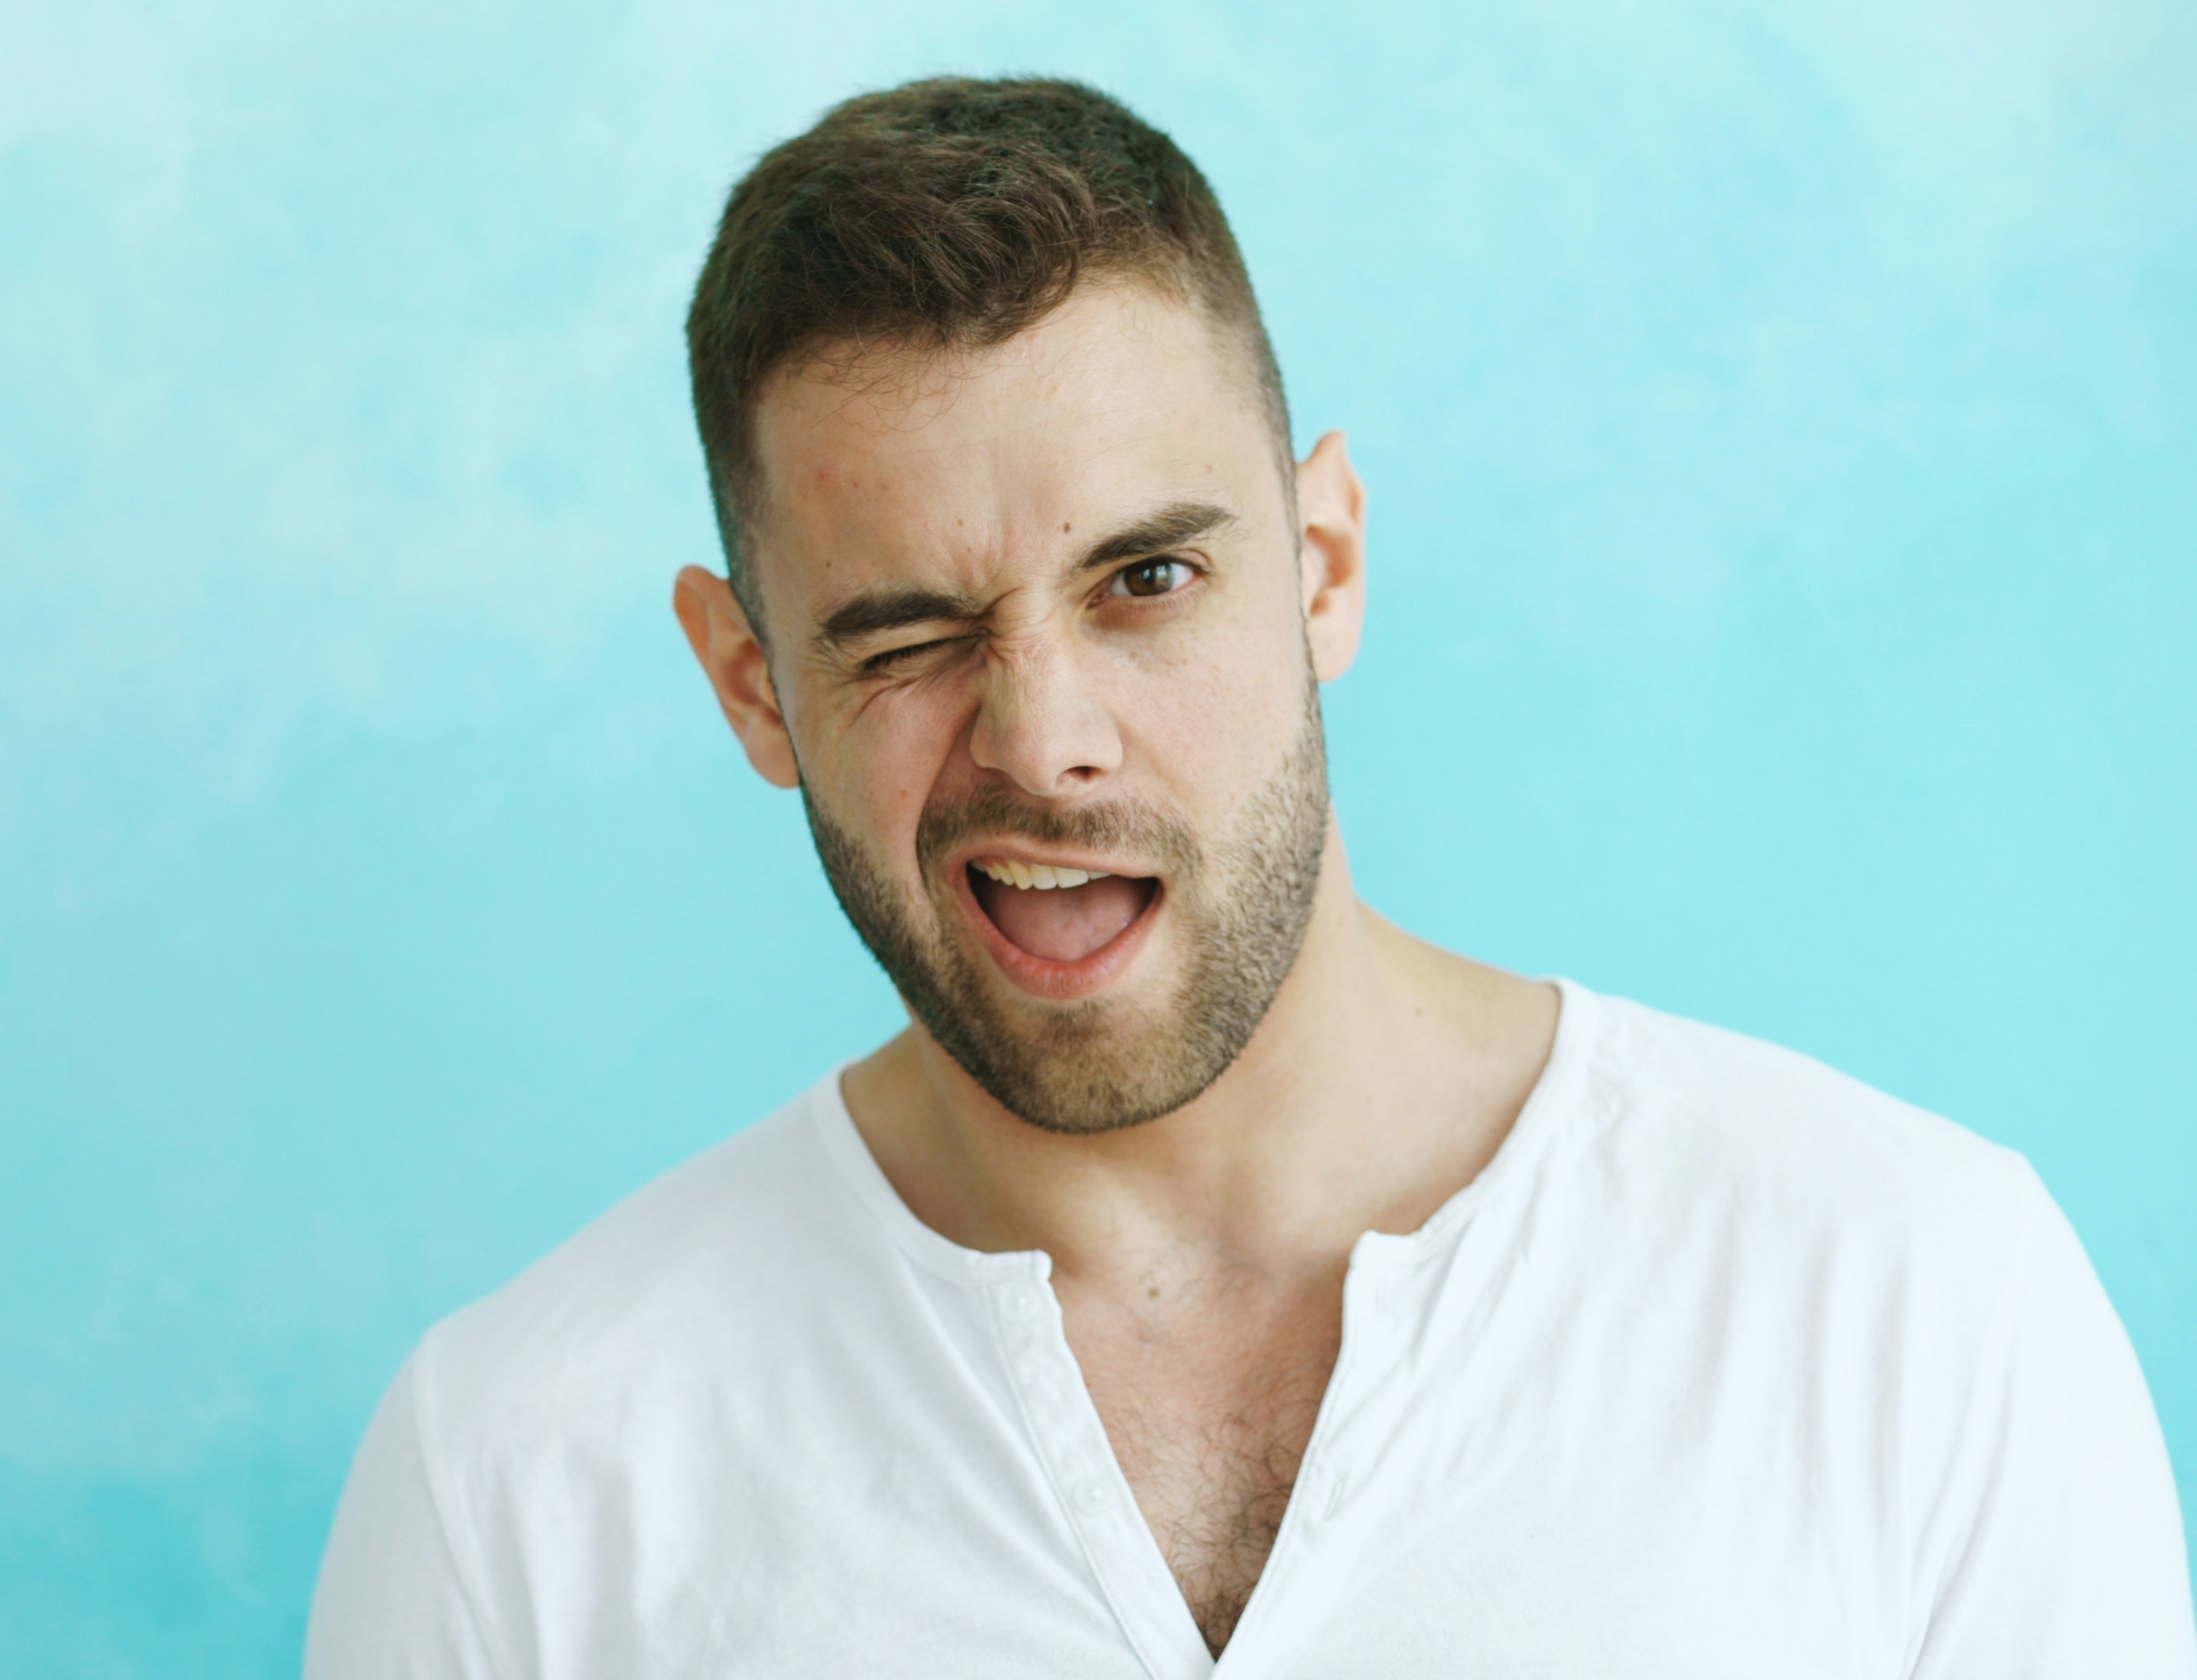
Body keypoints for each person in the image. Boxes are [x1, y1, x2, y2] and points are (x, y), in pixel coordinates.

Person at [303, 75, 2194, 1677]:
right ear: (751, 684)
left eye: (1148, 580)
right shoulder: (518, 1484)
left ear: (1324, 563)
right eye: (905, 638)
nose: (1044, 744)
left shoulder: (1919, 1301)